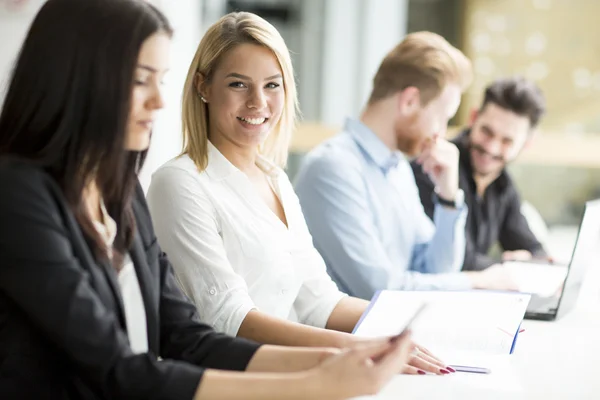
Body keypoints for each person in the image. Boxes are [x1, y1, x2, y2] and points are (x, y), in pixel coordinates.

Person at [0, 1, 416, 399]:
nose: (159, 101)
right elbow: (119, 370)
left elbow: (188, 337)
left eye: (160, 81)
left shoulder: (121, 193)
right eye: (140, 80)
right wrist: (315, 382)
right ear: (78, 79)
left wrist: (339, 356)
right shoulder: (18, 197)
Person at [147, 12, 450, 376]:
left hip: (288, 378)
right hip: (230, 383)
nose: (258, 102)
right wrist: (360, 347)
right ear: (203, 86)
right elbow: (228, 318)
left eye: (272, 85)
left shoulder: (275, 178)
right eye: (238, 85)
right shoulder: (179, 183)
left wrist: (425, 323)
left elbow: (319, 301)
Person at [294, 32, 518, 300]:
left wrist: (449, 197)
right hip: (346, 338)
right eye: (442, 118)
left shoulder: (398, 168)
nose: (441, 133)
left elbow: (437, 269)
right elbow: (379, 289)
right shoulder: (332, 168)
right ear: (410, 101)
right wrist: (475, 282)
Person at [411, 77, 548, 271]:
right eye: (487, 132)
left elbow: (534, 250)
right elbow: (456, 262)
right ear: (473, 117)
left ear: (526, 144)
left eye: (507, 141)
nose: (491, 148)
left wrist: (530, 261)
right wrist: (511, 265)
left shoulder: (503, 185)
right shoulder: (432, 169)